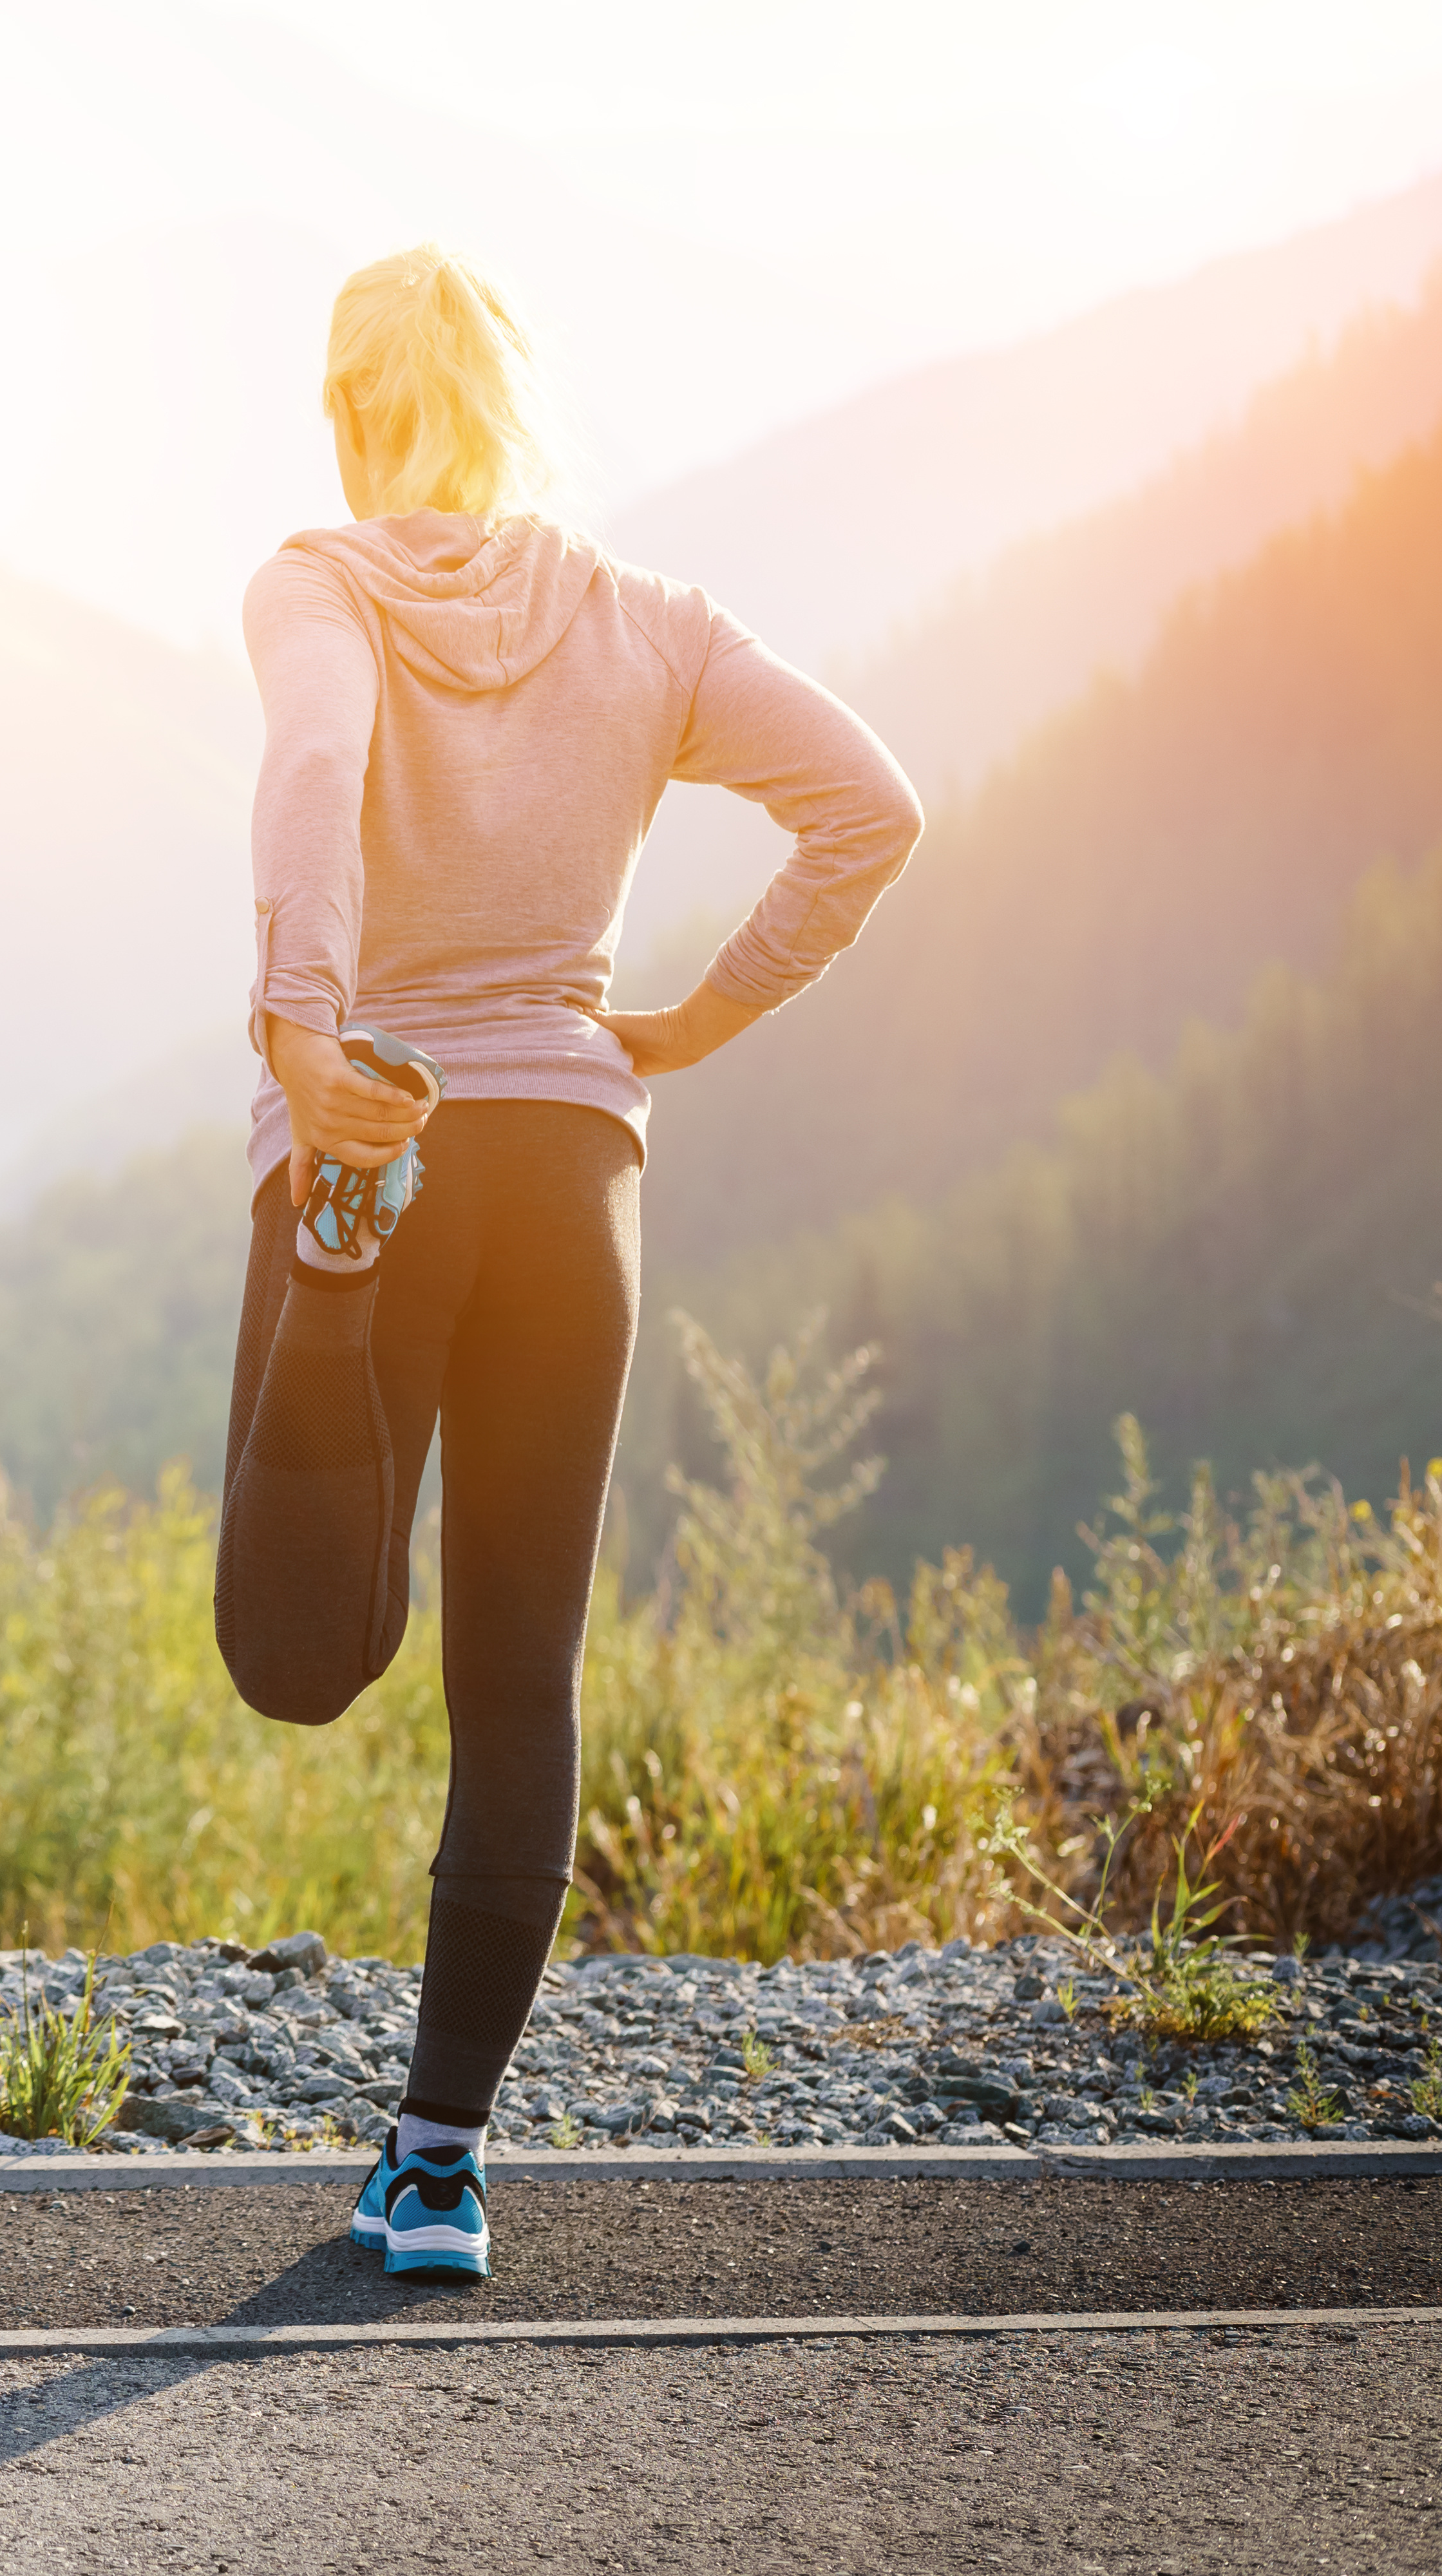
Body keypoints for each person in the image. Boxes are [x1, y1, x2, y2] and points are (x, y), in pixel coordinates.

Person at [217, 245, 920, 2279]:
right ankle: (437, 2167)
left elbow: (308, 778)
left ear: (350, 408)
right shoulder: (650, 624)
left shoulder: (317, 583)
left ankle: (341, 1266)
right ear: (513, 407)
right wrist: (691, 1026)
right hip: (576, 1172)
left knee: (298, 1656)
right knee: (520, 1677)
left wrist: (307, 1026)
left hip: (380, 1132)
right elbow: (868, 810)